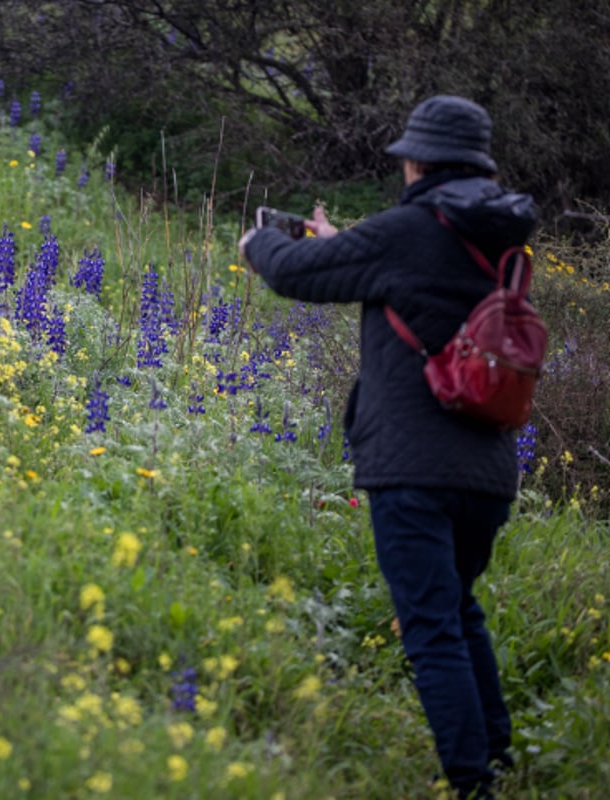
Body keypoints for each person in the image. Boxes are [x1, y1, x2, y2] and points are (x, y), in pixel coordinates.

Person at [239, 95, 536, 799]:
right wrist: (346, 238)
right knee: (459, 610)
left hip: (411, 468)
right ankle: (496, 754)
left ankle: (473, 785)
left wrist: (259, 245)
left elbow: (296, 273)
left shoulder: (405, 230)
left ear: (418, 162)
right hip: (489, 471)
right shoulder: (505, 241)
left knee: (431, 627)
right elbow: (411, 275)